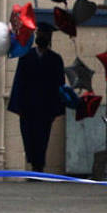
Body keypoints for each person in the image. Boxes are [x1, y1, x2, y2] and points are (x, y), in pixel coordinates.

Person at [7, 22, 65, 173]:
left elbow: (59, 86)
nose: (42, 37)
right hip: (28, 107)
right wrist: (17, 106)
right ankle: (33, 163)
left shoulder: (55, 60)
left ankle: (38, 167)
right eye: (40, 34)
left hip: (45, 108)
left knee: (42, 137)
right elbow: (19, 81)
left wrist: (56, 110)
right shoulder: (26, 57)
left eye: (45, 35)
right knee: (28, 137)